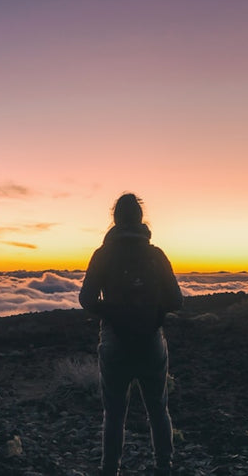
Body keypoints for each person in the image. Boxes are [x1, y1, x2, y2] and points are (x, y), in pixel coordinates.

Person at [79, 193, 183, 476]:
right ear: (140, 220)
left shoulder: (103, 255)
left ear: (115, 219)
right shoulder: (155, 255)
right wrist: (154, 316)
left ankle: (110, 470)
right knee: (158, 409)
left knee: (113, 414)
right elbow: (177, 300)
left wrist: (111, 313)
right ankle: (164, 467)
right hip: (151, 341)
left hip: (114, 342)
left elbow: (86, 299)